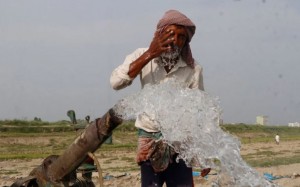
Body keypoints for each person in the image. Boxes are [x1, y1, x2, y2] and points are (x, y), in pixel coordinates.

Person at [110, 10, 204, 187]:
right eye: (170, 34)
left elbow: (200, 111)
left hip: (180, 143)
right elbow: (116, 82)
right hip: (149, 140)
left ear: (186, 42)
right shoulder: (142, 55)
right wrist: (150, 55)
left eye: (181, 37)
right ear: (160, 34)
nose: (175, 41)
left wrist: (204, 154)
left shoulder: (193, 69)